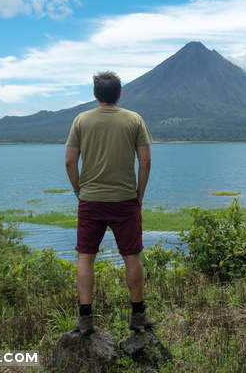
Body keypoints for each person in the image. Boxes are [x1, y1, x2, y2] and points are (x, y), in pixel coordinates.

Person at [64, 71, 154, 335]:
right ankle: (138, 315)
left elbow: (70, 161)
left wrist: (78, 190)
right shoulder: (134, 120)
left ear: (95, 94)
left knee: (85, 257)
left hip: (90, 200)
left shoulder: (81, 120)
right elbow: (146, 160)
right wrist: (140, 193)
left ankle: (85, 318)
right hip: (125, 200)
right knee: (132, 256)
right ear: (119, 93)